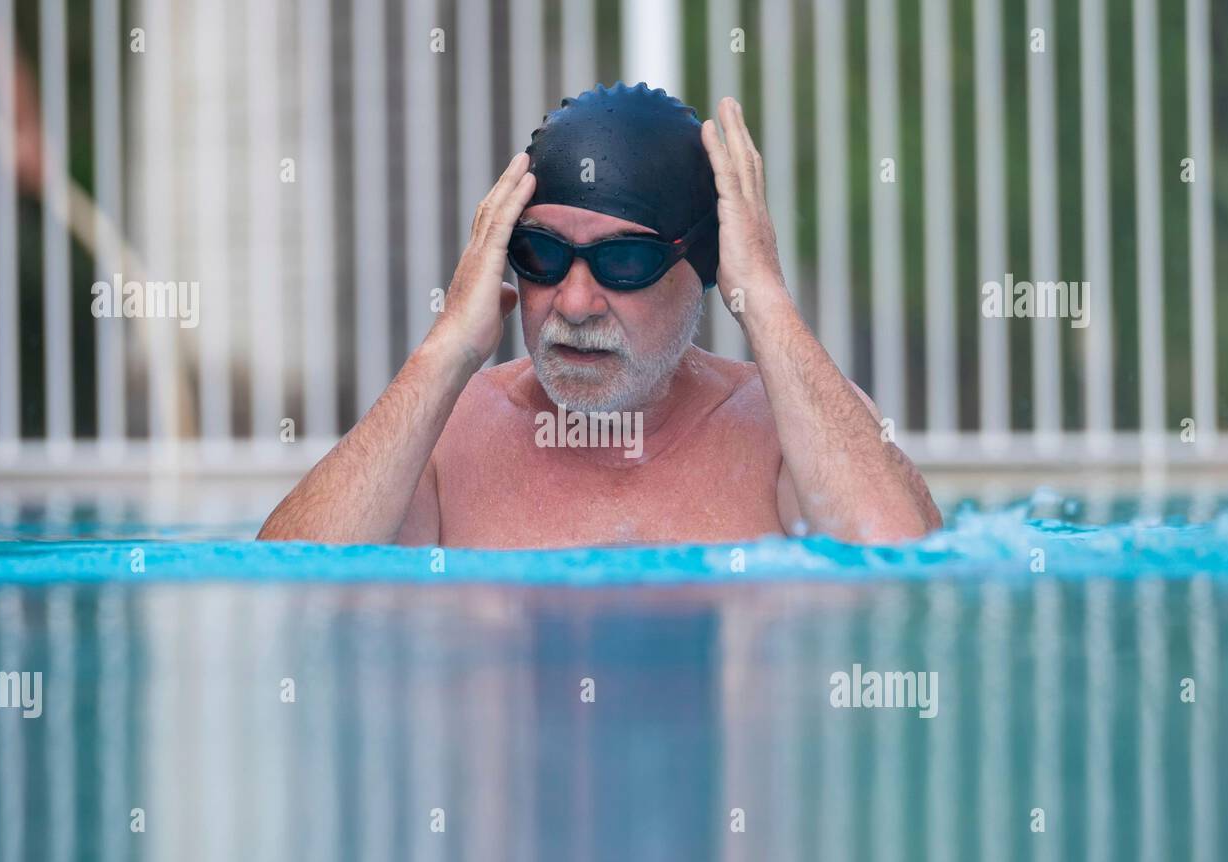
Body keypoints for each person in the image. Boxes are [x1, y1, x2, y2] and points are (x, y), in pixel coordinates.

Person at [259, 82, 941, 548]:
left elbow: (906, 571)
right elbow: (284, 591)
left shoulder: (787, 435)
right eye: (541, 254)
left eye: (623, 264)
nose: (577, 303)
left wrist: (764, 299)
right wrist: (445, 352)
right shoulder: (446, 441)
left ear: (704, 267)